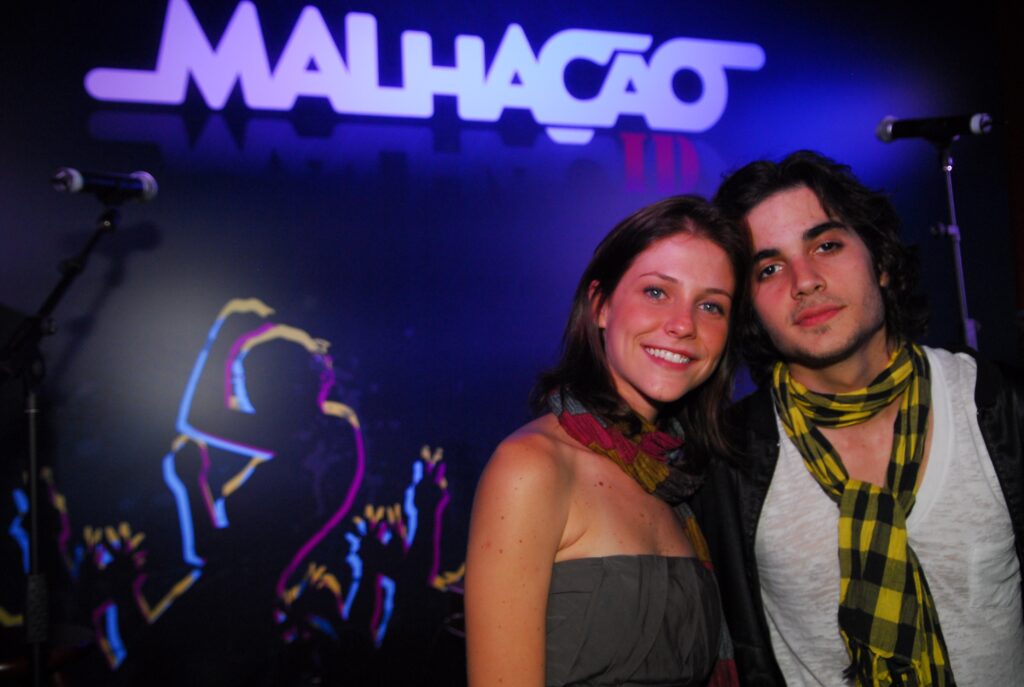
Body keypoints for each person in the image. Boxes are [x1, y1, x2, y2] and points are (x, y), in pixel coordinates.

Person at [693, 150, 1024, 686]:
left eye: (826, 245)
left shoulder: (997, 405)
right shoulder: (726, 455)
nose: (804, 281)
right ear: (749, 308)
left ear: (882, 262)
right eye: (769, 268)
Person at [464, 195, 747, 686]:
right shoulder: (532, 467)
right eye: (656, 292)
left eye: (710, 306)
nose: (684, 324)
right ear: (600, 305)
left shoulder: (680, 481)